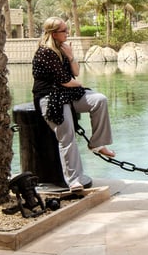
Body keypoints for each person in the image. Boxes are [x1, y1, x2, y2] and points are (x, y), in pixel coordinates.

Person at [32, 16, 115, 190]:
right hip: (51, 97)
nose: (67, 33)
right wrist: (80, 84)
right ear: (54, 34)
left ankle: (97, 143)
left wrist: (70, 55)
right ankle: (74, 180)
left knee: (99, 100)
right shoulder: (45, 52)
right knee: (67, 136)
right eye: (64, 31)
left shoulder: (63, 49)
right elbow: (66, 80)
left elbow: (75, 72)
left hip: (67, 93)